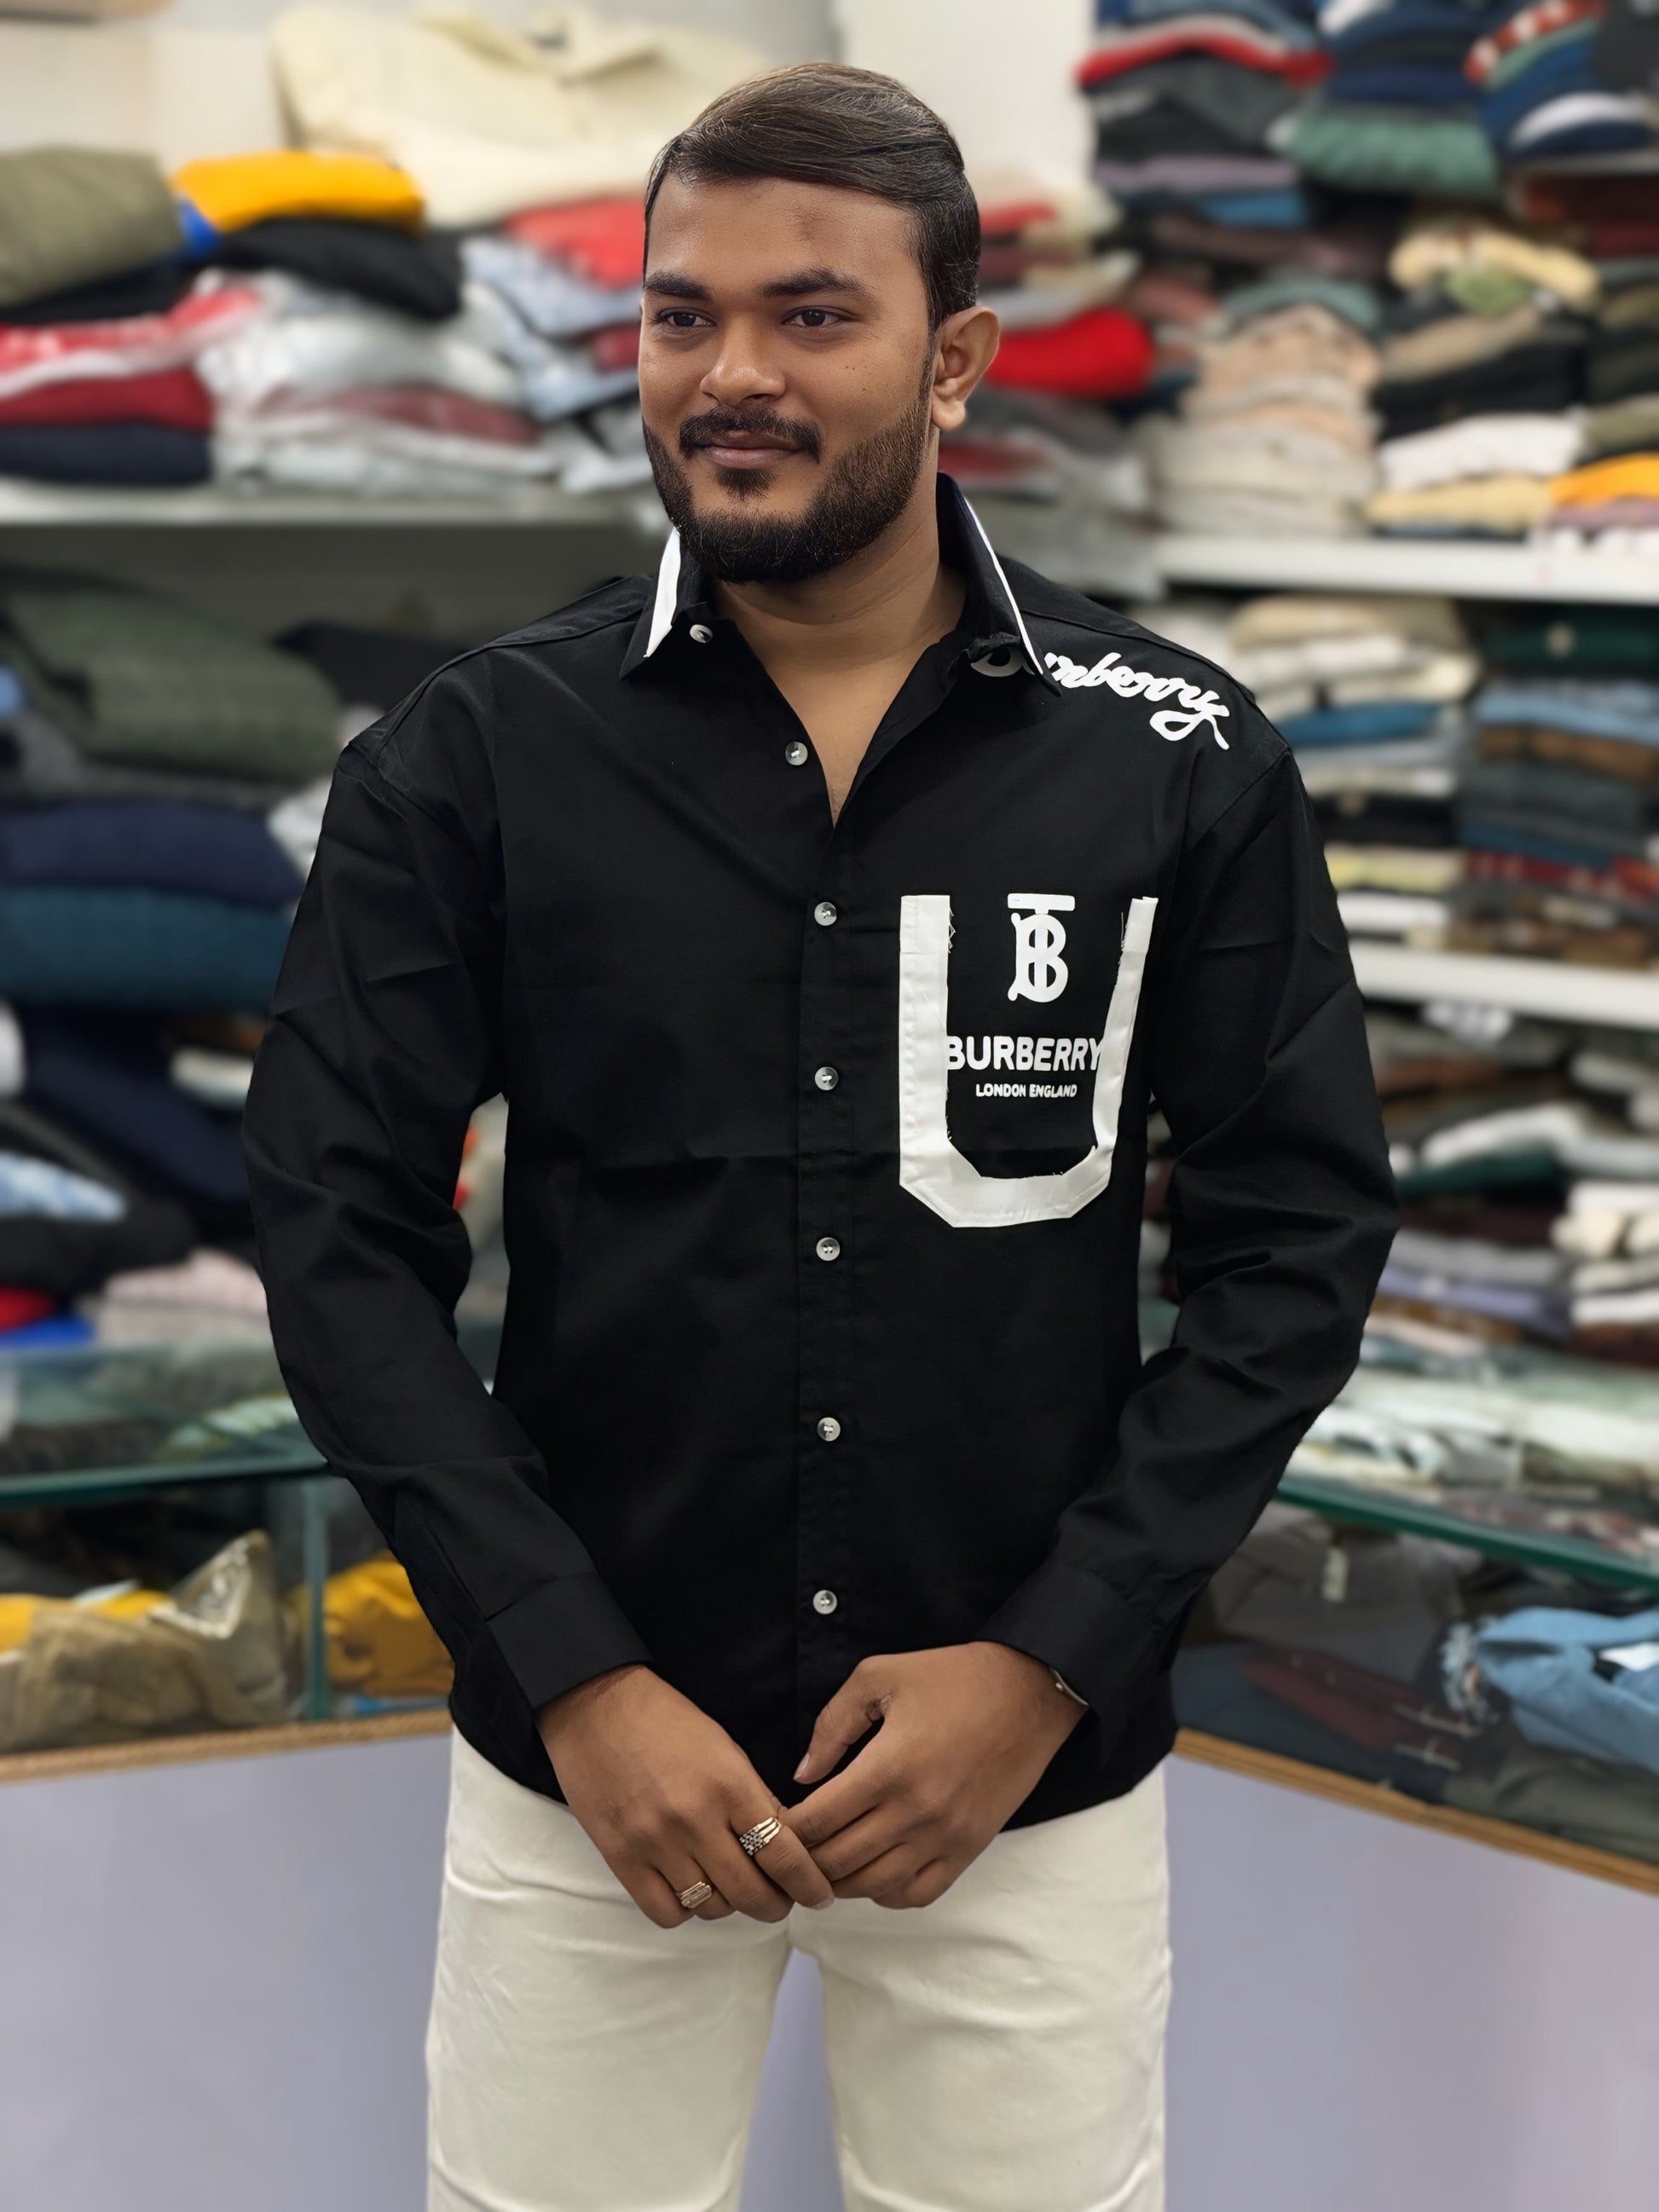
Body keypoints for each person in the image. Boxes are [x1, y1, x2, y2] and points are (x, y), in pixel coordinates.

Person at [242, 61, 1396, 2212]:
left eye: (812, 314)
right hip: (596, 1772)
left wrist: (1046, 1657)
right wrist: (572, 1669)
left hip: (1020, 1782)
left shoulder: (1176, 756)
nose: (733, 375)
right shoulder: (476, 753)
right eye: (682, 315)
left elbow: (1295, 1240)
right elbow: (330, 1228)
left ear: (957, 358)